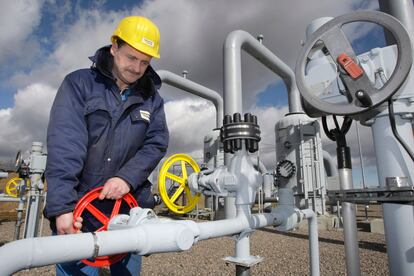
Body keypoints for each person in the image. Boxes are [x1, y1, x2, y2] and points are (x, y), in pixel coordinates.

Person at [44, 15, 169, 275]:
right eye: (131, 58)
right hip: (81, 212)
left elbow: (156, 143)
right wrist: (63, 208)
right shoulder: (79, 85)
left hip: (129, 211)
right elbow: (66, 146)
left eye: (145, 62)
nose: (136, 68)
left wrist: (126, 178)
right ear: (114, 48)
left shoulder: (152, 100)